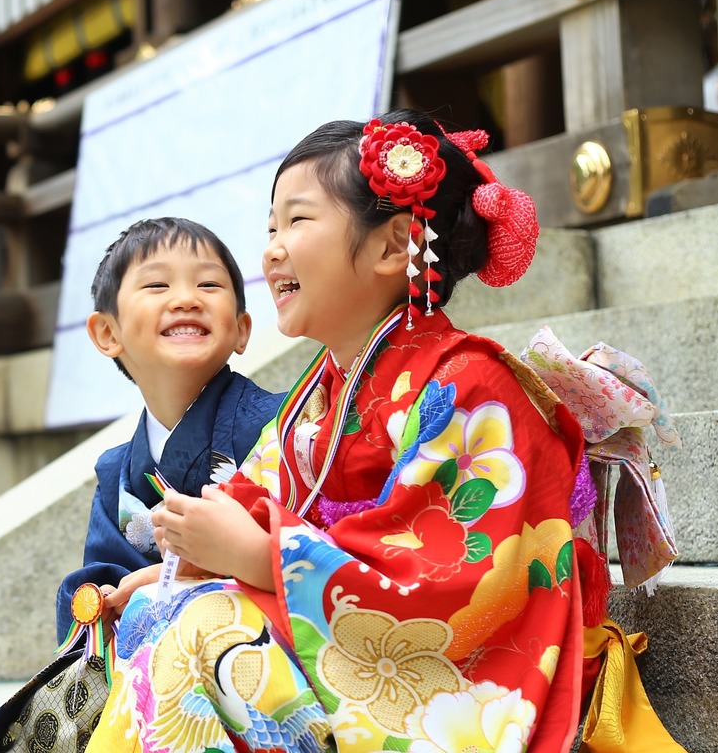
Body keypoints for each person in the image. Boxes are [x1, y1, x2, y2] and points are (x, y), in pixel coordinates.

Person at [90, 110, 590, 753]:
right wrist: (180, 564)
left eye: (297, 221)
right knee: (158, 613)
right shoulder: (322, 387)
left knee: (211, 629)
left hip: (439, 672)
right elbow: (254, 495)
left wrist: (250, 557)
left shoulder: (472, 385)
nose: (271, 248)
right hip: (337, 636)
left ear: (391, 246)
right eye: (270, 226)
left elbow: (444, 583)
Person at [55, 216, 284, 642]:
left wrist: (170, 580)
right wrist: (106, 602)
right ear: (107, 332)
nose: (186, 299)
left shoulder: (281, 424)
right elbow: (103, 575)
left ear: (241, 329)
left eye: (209, 286)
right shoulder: (115, 472)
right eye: (157, 285)